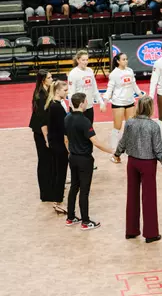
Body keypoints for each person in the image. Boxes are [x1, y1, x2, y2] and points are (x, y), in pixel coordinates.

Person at [114, 97, 162, 243]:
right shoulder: (154, 126)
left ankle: (131, 230)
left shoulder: (130, 122)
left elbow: (123, 141)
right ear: (150, 108)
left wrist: (117, 154)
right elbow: (158, 150)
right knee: (149, 198)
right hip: (148, 164)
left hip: (132, 162)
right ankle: (151, 233)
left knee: (132, 196)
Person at [64, 93, 115, 230]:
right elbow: (96, 143)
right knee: (84, 191)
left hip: (73, 157)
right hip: (84, 159)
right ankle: (85, 222)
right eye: (86, 101)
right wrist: (113, 151)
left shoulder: (67, 118)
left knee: (74, 187)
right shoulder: (85, 121)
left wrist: (71, 152)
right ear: (81, 104)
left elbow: (66, 139)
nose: (87, 103)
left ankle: (70, 217)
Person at [103, 52, 145, 149]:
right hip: (118, 103)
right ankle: (114, 149)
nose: (126, 61)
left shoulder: (130, 71)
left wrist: (140, 96)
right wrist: (104, 103)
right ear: (118, 61)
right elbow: (109, 89)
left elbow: (134, 85)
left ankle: (130, 147)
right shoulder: (114, 74)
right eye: (123, 59)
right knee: (117, 127)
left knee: (130, 126)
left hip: (130, 102)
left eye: (126, 59)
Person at [45, 80, 70, 214]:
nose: (67, 92)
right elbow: (63, 129)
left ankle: (56, 199)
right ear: (58, 91)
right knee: (61, 174)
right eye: (65, 90)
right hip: (59, 144)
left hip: (54, 143)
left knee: (58, 173)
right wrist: (68, 146)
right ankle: (58, 202)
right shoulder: (57, 107)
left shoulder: (53, 104)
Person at [29, 70, 53, 202]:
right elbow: (43, 119)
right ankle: (45, 193)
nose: (52, 79)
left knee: (48, 161)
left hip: (43, 130)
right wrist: (47, 138)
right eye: (49, 77)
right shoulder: (40, 95)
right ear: (43, 80)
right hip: (40, 132)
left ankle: (49, 187)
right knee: (44, 161)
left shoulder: (46, 91)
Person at [68, 50, 106, 125]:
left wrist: (101, 102)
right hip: (78, 108)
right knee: (78, 133)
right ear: (78, 60)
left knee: (88, 131)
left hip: (89, 107)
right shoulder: (73, 74)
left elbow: (94, 89)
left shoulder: (90, 71)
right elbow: (71, 93)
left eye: (87, 60)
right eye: (83, 60)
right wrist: (74, 108)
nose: (85, 62)